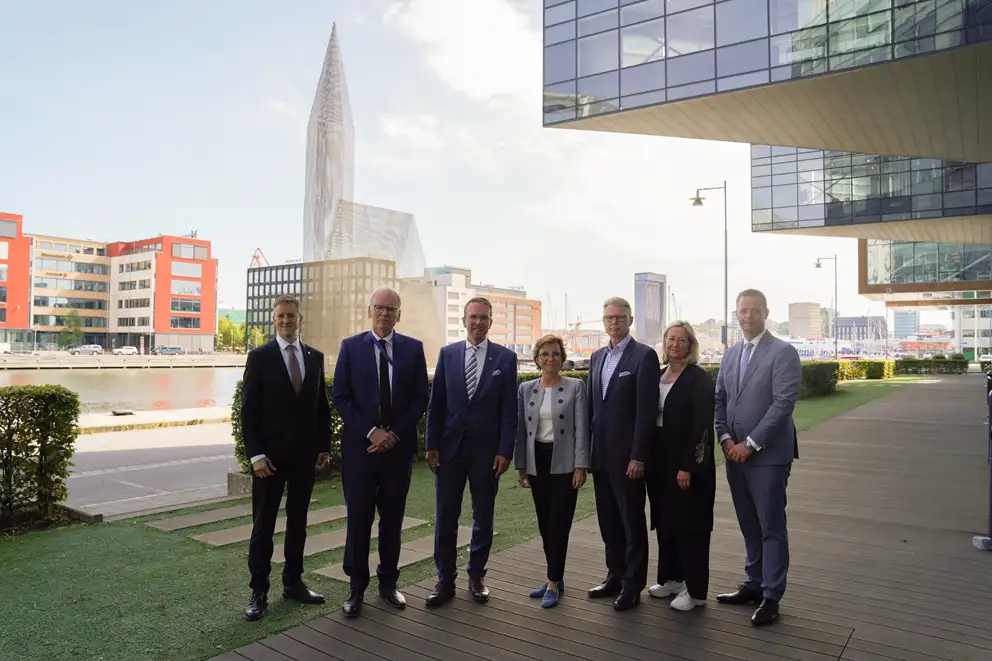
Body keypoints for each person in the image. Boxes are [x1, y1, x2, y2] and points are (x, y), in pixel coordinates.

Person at [332, 287, 429, 617]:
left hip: (396, 453)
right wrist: (372, 432)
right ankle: (356, 587)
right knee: (358, 521)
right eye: (379, 308)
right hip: (360, 453)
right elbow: (341, 397)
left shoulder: (413, 349)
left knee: (392, 521)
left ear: (399, 314)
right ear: (368, 311)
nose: (384, 313)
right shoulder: (350, 347)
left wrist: (394, 435)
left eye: (391, 309)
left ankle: (389, 583)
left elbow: (420, 398)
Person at [240, 294, 332, 622]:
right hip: (269, 462)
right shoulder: (259, 357)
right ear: (273, 319)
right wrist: (256, 456)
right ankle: (259, 590)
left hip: (304, 459)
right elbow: (248, 411)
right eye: (280, 316)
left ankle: (294, 582)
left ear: (300, 319)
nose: (286, 321)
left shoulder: (315, 357)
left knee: (298, 523)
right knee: (263, 526)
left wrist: (325, 448)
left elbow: (321, 407)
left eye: (291, 316)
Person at [715, 288, 801, 627]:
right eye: (742, 311)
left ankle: (771, 595)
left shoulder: (783, 352)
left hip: (767, 456)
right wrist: (724, 438)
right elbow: (719, 399)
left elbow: (783, 405)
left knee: (771, 527)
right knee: (749, 524)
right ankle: (753, 583)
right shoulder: (730, 355)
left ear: (766, 313)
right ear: (736, 315)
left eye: (754, 310)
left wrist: (749, 444)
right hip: (734, 455)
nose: (748, 316)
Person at [425, 296, 518, 606]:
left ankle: (476, 575)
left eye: (484, 318)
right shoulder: (448, 354)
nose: (478, 322)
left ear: (491, 322)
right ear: (463, 320)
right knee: (445, 517)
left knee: (483, 516)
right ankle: (445, 579)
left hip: (486, 453)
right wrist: (432, 445)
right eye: (473, 317)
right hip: (449, 451)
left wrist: (505, 450)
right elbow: (436, 404)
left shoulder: (505, 359)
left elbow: (508, 411)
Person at [586, 296, 661, 611]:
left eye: (619, 317)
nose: (613, 322)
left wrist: (638, 456)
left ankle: (633, 584)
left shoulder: (644, 356)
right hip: (600, 457)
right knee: (608, 521)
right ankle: (614, 575)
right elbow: (594, 408)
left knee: (631, 521)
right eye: (608, 318)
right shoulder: (596, 357)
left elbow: (646, 412)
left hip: (628, 459)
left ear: (630, 320)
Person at [515, 334, 589, 609]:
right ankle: (553, 577)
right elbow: (521, 431)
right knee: (545, 523)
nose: (550, 359)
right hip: (537, 463)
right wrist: (521, 466)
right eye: (544, 354)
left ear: (562, 358)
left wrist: (581, 465)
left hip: (565, 464)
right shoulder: (526, 389)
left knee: (560, 523)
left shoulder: (575, 387)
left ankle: (553, 581)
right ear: (536, 359)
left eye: (555, 354)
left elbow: (582, 429)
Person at [646, 321, 716, 612]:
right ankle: (672, 577)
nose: (675, 344)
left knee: (691, 524)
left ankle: (696, 590)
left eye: (681, 340)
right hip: (660, 462)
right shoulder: (658, 376)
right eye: (670, 339)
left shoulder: (698, 378)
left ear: (690, 345)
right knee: (666, 521)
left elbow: (701, 427)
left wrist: (688, 466)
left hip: (688, 463)